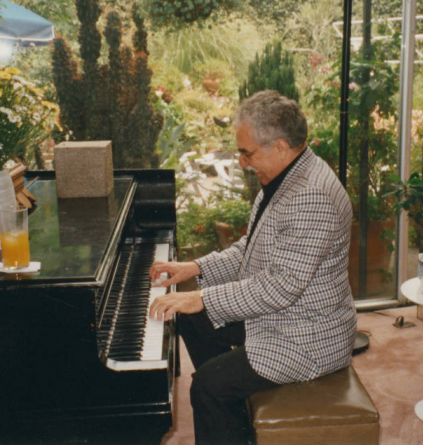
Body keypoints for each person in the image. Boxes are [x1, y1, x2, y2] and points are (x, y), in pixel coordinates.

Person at [149, 90, 357, 445]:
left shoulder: (311, 194)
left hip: (305, 336)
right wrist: (195, 267)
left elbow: (281, 286)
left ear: (279, 146)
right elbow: (253, 248)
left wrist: (203, 298)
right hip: (282, 317)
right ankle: (236, 419)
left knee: (207, 386)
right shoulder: (284, 176)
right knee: (189, 317)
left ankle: (226, 403)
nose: (242, 162)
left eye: (246, 153)